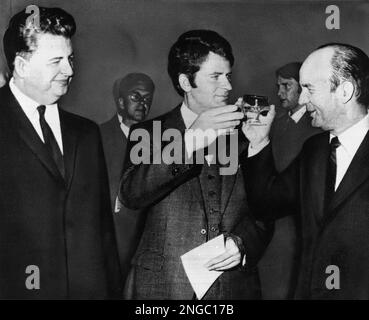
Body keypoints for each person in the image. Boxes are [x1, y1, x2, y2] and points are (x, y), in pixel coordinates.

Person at [119, 29, 273, 300]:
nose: (227, 85)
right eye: (215, 76)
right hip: (161, 287)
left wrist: (244, 243)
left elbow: (267, 208)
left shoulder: (247, 132)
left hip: (232, 290)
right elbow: (132, 195)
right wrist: (188, 142)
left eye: (228, 75)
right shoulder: (149, 132)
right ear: (186, 82)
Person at [0, 6, 122, 299]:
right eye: (56, 61)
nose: (69, 70)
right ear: (22, 65)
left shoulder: (87, 133)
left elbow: (104, 233)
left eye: (70, 59)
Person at [243, 43, 369, 299]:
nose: (301, 100)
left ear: (345, 90)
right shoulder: (314, 149)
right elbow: (265, 205)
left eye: (309, 89)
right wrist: (258, 142)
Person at [259, 62, 321, 299]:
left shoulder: (314, 127)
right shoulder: (279, 121)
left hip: (295, 223)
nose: (280, 93)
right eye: (278, 86)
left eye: (287, 85)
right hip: (273, 221)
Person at [100, 73, 155, 283]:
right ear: (120, 101)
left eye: (147, 99)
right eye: (136, 97)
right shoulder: (96, 135)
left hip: (146, 242)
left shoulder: (160, 139)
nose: (143, 104)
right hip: (111, 237)